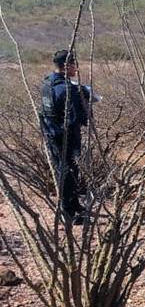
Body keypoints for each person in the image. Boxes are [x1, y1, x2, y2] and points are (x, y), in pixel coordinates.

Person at [39, 49, 90, 224]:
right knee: (68, 172)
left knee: (65, 170)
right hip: (66, 136)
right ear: (66, 66)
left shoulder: (47, 83)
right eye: (74, 65)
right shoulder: (68, 89)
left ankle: (73, 204)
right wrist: (84, 99)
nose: (76, 68)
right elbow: (77, 118)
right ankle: (68, 213)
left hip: (51, 134)